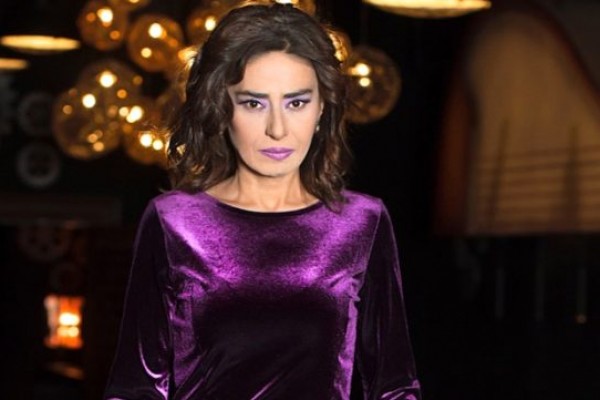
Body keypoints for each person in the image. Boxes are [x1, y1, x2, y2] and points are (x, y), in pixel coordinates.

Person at [104, 3, 421, 400]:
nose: (277, 129)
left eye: (296, 102)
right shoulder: (174, 222)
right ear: (222, 108)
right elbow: (134, 388)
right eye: (254, 103)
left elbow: (395, 387)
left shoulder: (362, 223)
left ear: (322, 108)